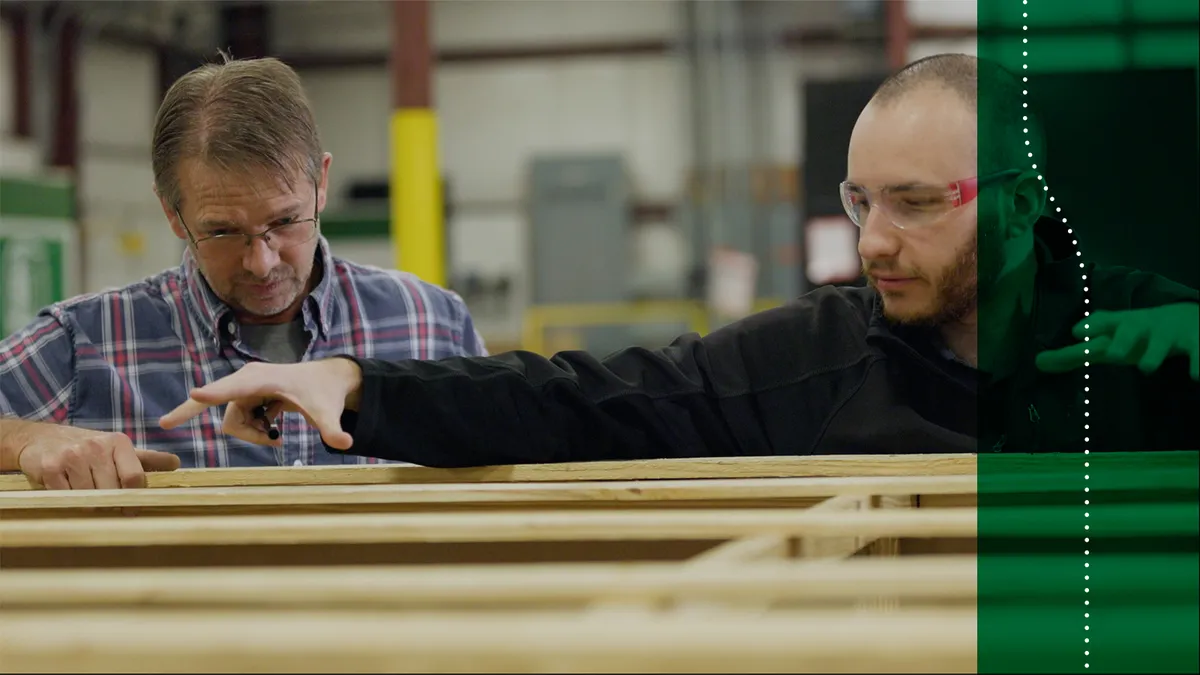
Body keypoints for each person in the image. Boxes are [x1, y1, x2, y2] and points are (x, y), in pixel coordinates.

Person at [160, 53, 1199, 467]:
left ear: (1019, 210)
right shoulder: (815, 363)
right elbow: (582, 399)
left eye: (916, 205)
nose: (874, 238)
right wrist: (353, 380)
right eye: (859, 200)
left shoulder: (1157, 350)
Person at [0, 54, 487, 489]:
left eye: (285, 221)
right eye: (223, 232)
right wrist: (24, 438)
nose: (262, 262)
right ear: (171, 212)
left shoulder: (432, 323)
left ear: (322, 183)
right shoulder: (85, 342)